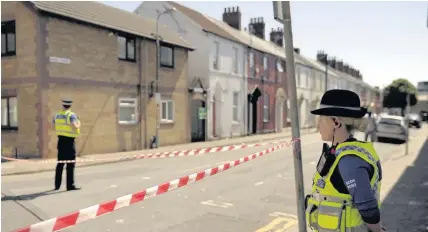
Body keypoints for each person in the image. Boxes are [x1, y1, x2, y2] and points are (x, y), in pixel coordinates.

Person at [305, 89, 386, 232]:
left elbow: (368, 209)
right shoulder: (338, 151)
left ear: (335, 122)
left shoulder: (349, 160)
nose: (318, 125)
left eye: (321, 120)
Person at [53, 99, 81, 191]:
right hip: (69, 142)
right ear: (70, 105)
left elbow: (54, 125)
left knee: (60, 164)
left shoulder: (56, 115)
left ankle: (57, 185)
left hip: (60, 141)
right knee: (70, 164)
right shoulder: (71, 115)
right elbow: (75, 126)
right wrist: (79, 123)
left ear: (63, 105)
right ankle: (70, 185)